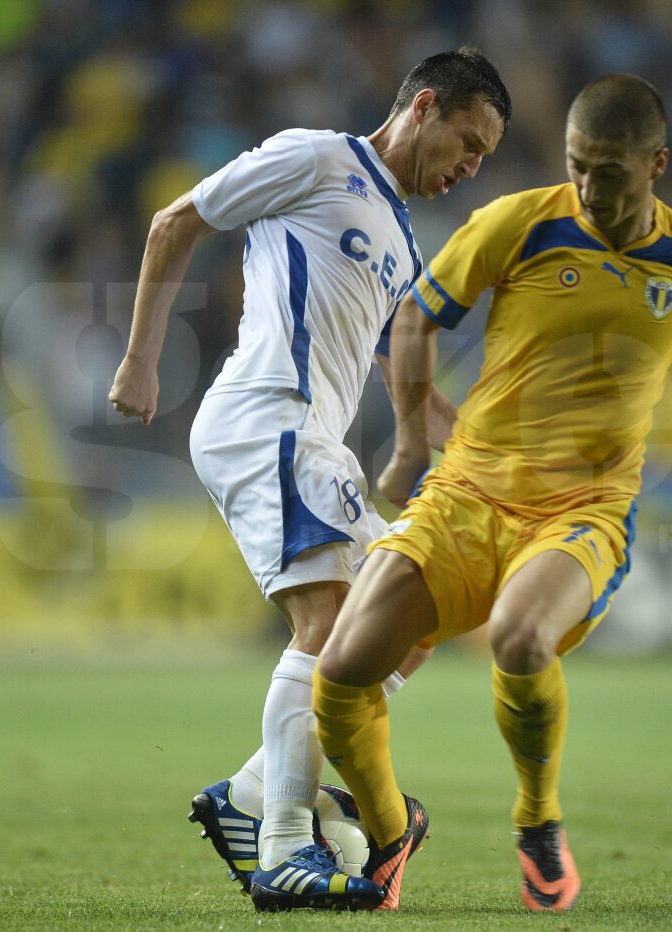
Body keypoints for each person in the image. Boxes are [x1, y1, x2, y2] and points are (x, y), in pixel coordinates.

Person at [312, 73, 672, 912]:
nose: (590, 188)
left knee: (519, 641)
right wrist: (415, 441)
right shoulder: (518, 223)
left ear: (657, 164)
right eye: (578, 165)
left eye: (611, 171)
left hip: (583, 511)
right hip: (467, 491)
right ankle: (388, 834)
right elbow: (415, 317)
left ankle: (537, 818)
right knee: (339, 673)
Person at [108, 47, 510, 913]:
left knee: (409, 622)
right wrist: (142, 358)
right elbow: (174, 222)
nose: (470, 169)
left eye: (484, 158)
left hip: (313, 435)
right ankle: (287, 847)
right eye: (467, 143)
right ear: (424, 107)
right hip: (268, 413)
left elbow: (388, 364)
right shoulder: (318, 157)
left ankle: (253, 794)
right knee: (327, 624)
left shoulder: (402, 237)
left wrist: (469, 436)